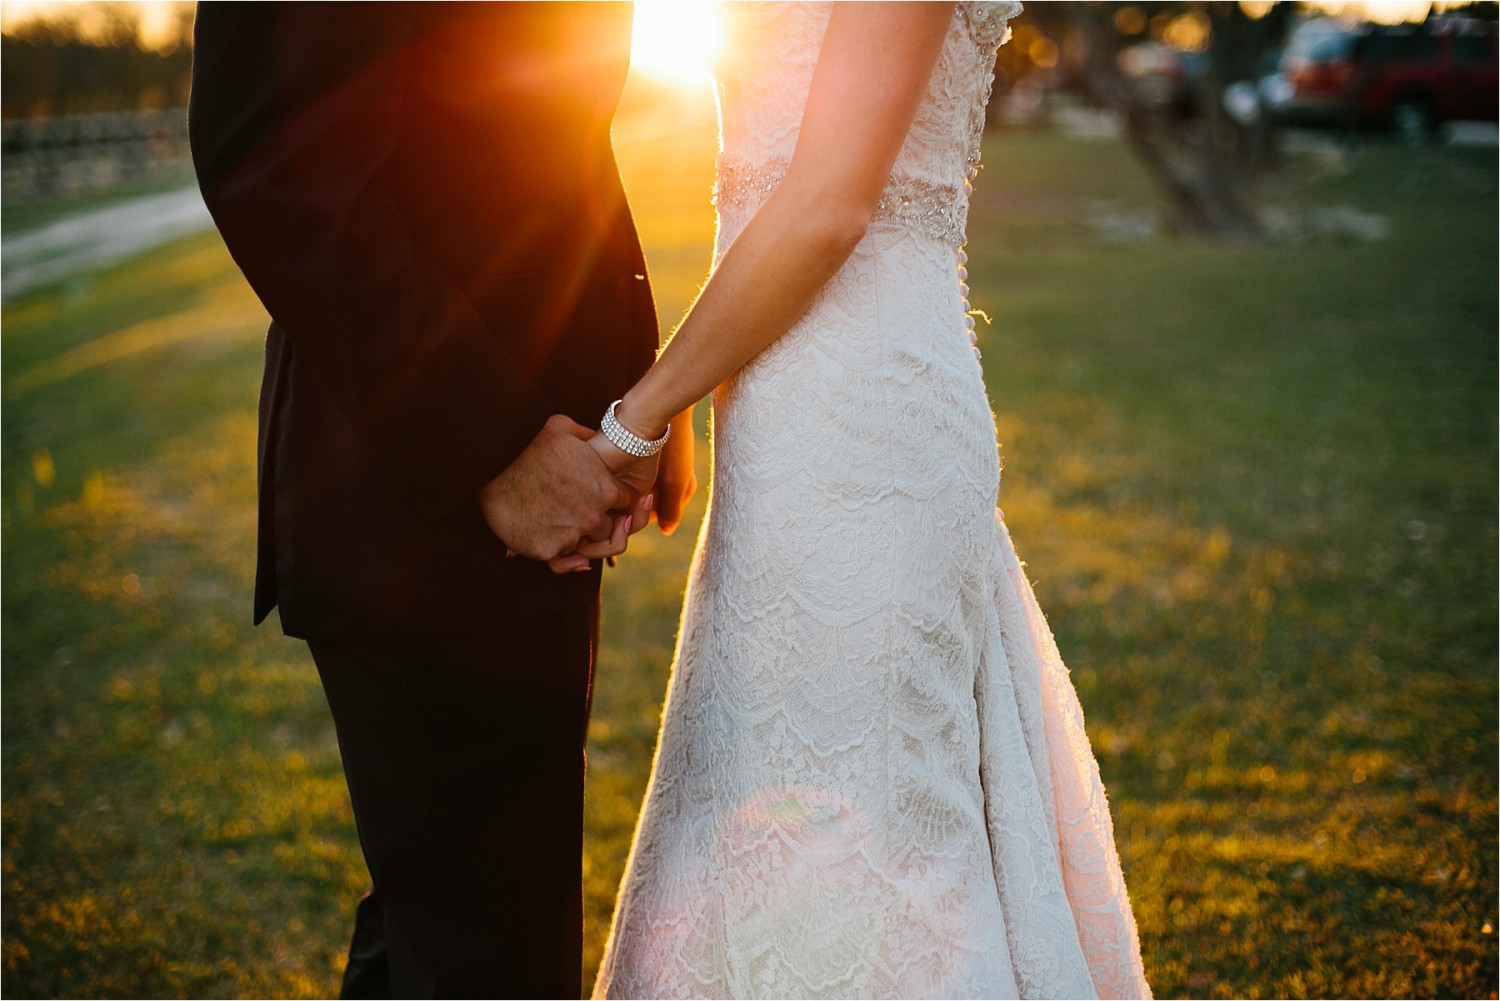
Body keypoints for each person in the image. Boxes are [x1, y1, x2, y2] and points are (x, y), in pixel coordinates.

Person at [586, 3, 1152, 998]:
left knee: (878, 832)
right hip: (782, 404)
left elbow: (830, 203)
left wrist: (643, 417)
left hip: (866, 421)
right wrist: (682, 389)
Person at [188, 4, 695, 996]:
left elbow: (555, 132)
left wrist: (640, 393)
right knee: (485, 956)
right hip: (426, 503)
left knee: (450, 920)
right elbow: (279, 159)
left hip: (546, 479)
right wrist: (491, 447)